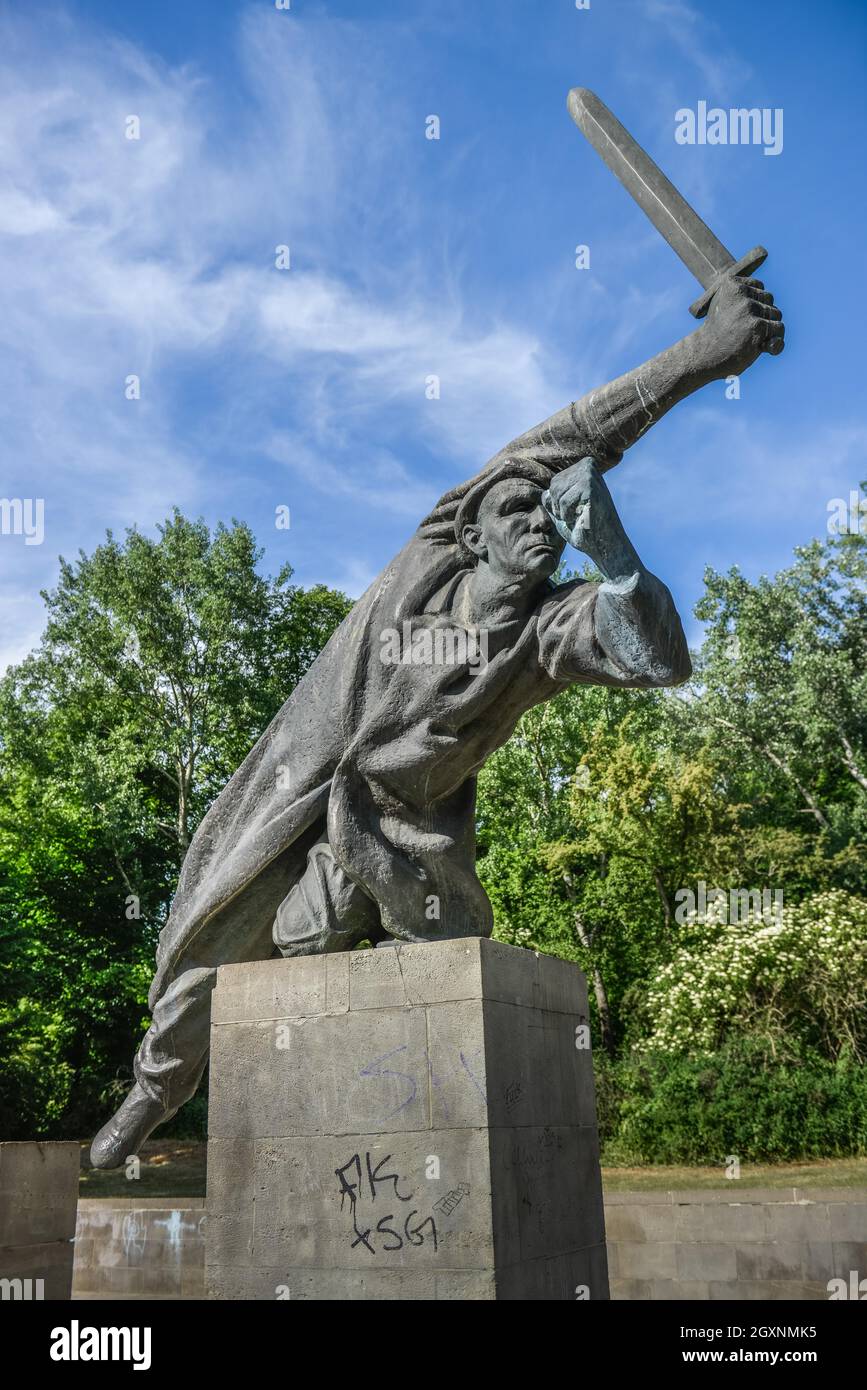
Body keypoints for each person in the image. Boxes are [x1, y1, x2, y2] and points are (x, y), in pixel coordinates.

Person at [90, 271, 784, 1167]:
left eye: (549, 514)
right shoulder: (425, 560)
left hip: (404, 836)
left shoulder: (547, 630)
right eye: (514, 508)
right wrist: (705, 353)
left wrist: (612, 553)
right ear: (473, 532)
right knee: (202, 952)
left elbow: (661, 660)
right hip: (293, 787)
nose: (537, 519)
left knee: (324, 936)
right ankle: (152, 1094)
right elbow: (577, 433)